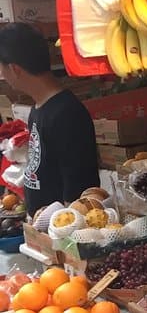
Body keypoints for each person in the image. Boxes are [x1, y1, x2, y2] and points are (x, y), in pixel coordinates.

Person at [0, 23, 99, 213]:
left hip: (62, 232)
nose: (2, 75)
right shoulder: (39, 109)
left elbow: (79, 192)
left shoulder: (67, 114)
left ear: (14, 69)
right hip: (43, 230)